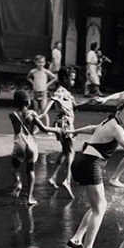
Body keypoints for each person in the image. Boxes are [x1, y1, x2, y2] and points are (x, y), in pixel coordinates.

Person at [67, 94, 124, 248]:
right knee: (100, 207)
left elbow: (93, 128)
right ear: (119, 110)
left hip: (83, 160)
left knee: (97, 206)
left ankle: (77, 239)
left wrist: (75, 131)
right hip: (90, 164)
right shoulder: (117, 128)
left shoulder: (109, 121)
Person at [9, 90, 62, 205]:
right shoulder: (32, 114)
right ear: (27, 102)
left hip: (19, 143)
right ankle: (30, 198)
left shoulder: (12, 115)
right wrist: (57, 129)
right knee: (30, 170)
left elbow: (20, 128)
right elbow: (44, 129)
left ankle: (18, 183)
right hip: (31, 144)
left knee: (15, 167)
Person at [43, 67, 86, 198]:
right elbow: (52, 100)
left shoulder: (67, 92)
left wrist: (91, 100)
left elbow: (76, 104)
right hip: (64, 124)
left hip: (66, 123)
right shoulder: (61, 91)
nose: (73, 81)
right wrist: (43, 113)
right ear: (64, 79)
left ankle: (53, 177)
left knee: (65, 151)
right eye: (71, 79)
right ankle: (67, 180)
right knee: (71, 151)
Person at [26, 54, 57, 127]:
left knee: (44, 111)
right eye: (39, 62)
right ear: (35, 62)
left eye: (42, 62)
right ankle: (36, 127)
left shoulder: (46, 71)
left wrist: (47, 84)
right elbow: (28, 77)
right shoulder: (33, 71)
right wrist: (33, 83)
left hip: (43, 92)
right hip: (35, 92)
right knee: (36, 110)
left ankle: (47, 126)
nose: (41, 64)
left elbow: (54, 77)